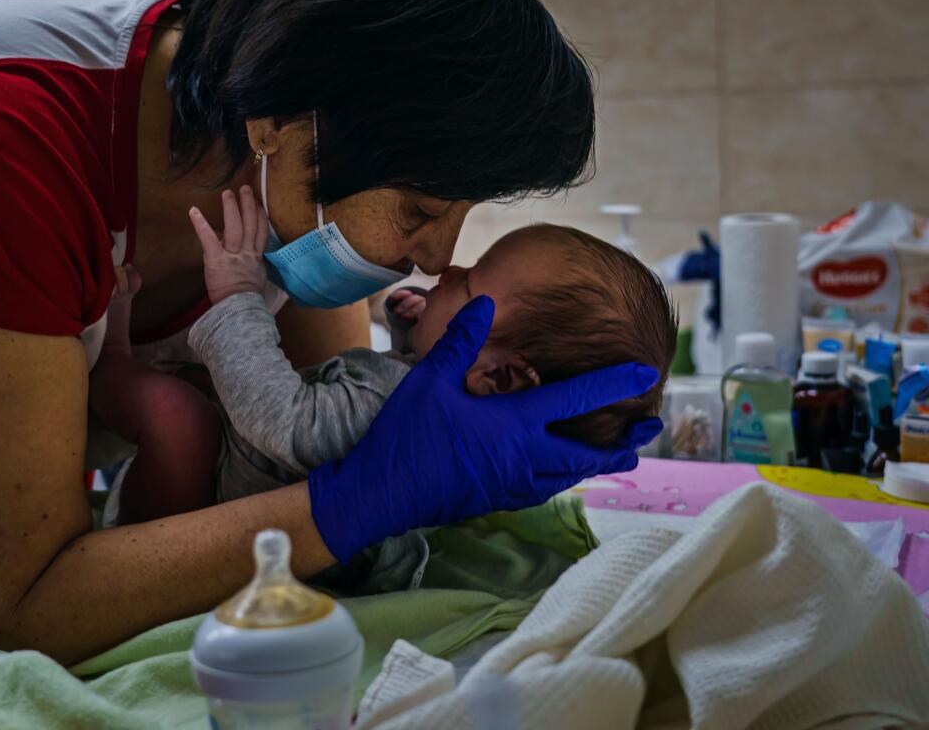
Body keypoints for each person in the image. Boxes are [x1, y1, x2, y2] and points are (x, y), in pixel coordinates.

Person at [0, 0, 659, 663]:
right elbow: (10, 606)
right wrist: (366, 500)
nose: (433, 259)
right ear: (280, 124)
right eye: (420, 207)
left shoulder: (270, 146)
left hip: (24, 533)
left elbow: (298, 436)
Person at [102, 189, 676, 522]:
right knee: (202, 393)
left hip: (180, 518)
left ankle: (111, 369)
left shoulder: (396, 413)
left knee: (177, 414)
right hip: (229, 483)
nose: (447, 268)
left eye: (470, 283)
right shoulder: (436, 410)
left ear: (498, 375)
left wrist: (237, 299)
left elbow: (289, 422)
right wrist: (410, 343)